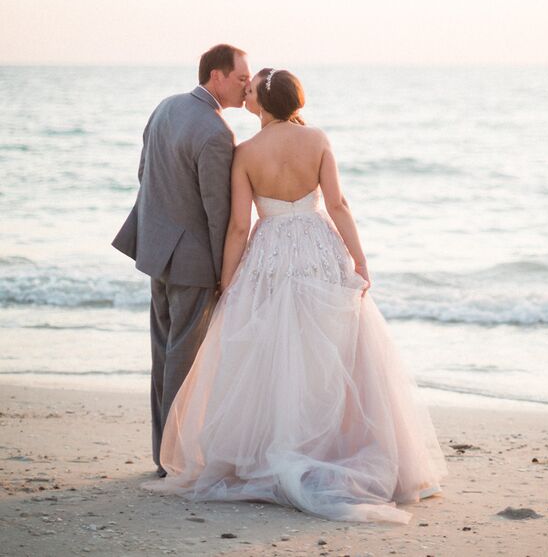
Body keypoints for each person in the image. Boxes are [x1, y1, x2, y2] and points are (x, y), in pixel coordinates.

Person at [146, 68, 446, 522]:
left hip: (269, 254)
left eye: (251, 91)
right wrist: (359, 260)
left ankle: (274, 447)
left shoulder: (245, 152)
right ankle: (328, 444)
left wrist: (229, 280)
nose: (245, 94)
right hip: (319, 250)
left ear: (263, 105)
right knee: (328, 351)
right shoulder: (319, 139)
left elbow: (239, 226)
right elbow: (339, 205)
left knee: (272, 352)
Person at [112, 43, 251, 476]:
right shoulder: (216, 133)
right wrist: (223, 272)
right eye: (241, 78)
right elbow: (218, 213)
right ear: (216, 76)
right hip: (191, 263)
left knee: (163, 354)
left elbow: (143, 172)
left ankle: (162, 453)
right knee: (183, 360)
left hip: (156, 251)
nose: (247, 86)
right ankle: (172, 461)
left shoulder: (165, 107)